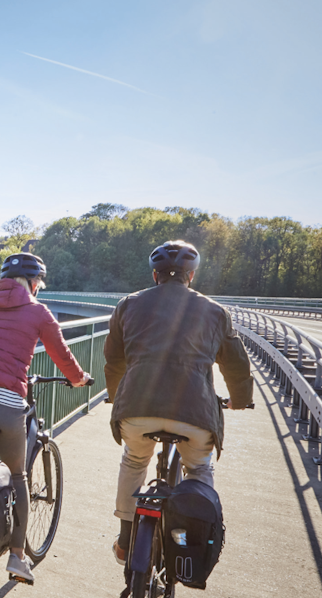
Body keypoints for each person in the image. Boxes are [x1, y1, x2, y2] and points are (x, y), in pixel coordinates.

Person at [104, 240, 253, 565]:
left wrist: (116, 397)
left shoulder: (128, 305)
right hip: (195, 414)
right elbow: (236, 364)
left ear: (155, 275)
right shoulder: (215, 311)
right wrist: (240, 400)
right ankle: (191, 543)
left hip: (137, 410)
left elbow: (114, 360)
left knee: (134, 461)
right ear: (192, 275)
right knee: (198, 467)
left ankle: (126, 541)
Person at [0, 252, 90, 584]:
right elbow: (61, 353)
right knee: (17, 477)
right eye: (39, 282)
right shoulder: (38, 311)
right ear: (33, 283)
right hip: (4, 401)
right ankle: (17, 557)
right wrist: (80, 377)